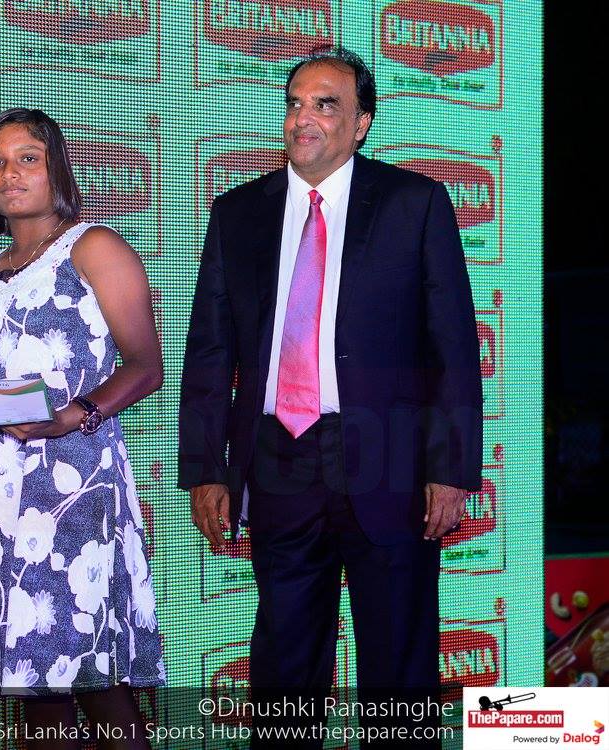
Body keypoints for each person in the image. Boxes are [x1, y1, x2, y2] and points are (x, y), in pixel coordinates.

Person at [179, 49, 482, 743]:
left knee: (398, 660)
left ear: (360, 123)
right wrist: (204, 470)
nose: (303, 118)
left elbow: (452, 347)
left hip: (390, 465)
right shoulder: (237, 213)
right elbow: (210, 352)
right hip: (277, 460)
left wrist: (450, 468)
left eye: (324, 105)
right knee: (284, 659)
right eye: (294, 103)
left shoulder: (413, 204)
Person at [0, 108, 164, 749]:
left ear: (57, 169)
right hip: (2, 496)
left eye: (28, 159)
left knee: (93, 673)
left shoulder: (94, 248)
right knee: (33, 684)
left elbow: (146, 365)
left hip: (77, 484)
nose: (9, 174)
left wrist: (75, 415)